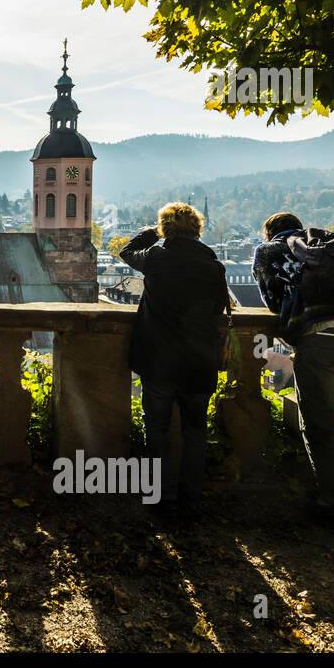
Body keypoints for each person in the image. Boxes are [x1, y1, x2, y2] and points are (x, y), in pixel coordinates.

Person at [253, 212, 334, 519]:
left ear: (269, 233)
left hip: (320, 337)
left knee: (317, 425)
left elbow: (272, 299)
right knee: (333, 422)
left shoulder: (269, 251)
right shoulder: (325, 244)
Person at [120, 203, 230, 519]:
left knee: (156, 429)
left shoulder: (157, 258)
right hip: (199, 362)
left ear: (165, 229)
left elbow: (127, 252)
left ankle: (163, 497)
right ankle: (191, 499)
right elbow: (217, 311)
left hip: (159, 361)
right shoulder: (214, 267)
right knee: (196, 432)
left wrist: (152, 234)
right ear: (197, 229)